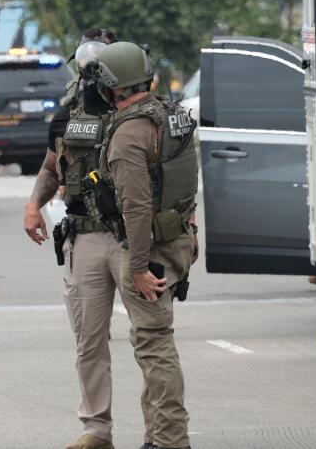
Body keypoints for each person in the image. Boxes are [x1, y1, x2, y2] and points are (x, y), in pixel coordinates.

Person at [94, 42, 199, 449]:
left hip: (147, 250)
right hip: (176, 240)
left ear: (111, 87)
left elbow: (135, 208)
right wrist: (191, 232)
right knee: (152, 344)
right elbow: (187, 182)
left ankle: (171, 440)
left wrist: (138, 267)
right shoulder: (172, 118)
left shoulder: (128, 133)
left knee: (155, 347)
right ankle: (158, 436)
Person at [22, 29, 122, 449]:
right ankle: (96, 429)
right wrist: (32, 205)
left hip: (133, 236)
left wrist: (185, 229)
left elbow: (172, 178)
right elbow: (51, 166)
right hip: (83, 236)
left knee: (154, 340)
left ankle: (164, 433)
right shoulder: (66, 116)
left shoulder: (141, 110)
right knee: (88, 340)